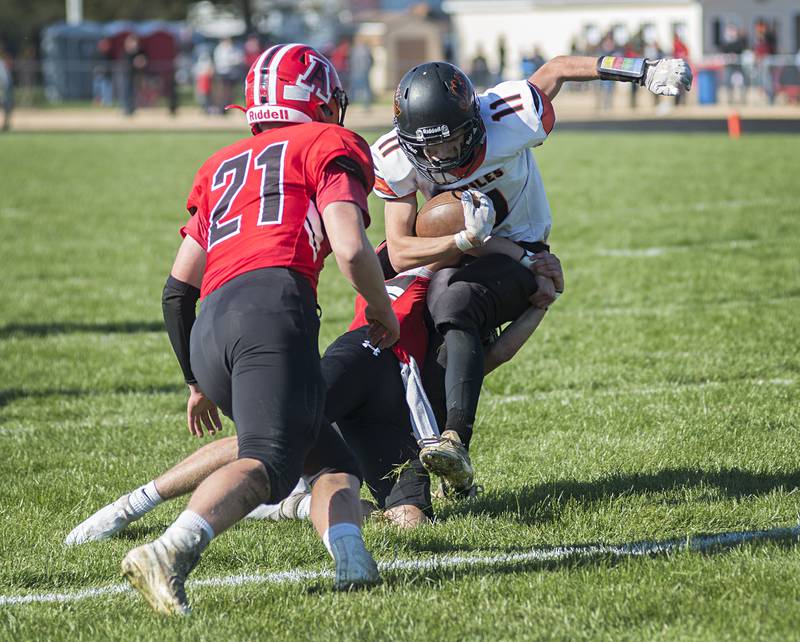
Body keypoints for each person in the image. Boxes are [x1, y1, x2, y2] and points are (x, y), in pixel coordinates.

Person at [119, 44, 400, 616]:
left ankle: (354, 566)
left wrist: (195, 381)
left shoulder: (222, 163)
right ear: (321, 102)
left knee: (332, 461)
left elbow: (177, 291)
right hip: (273, 310)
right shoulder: (329, 142)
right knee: (270, 462)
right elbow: (349, 246)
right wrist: (381, 310)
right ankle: (170, 550)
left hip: (210, 331)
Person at [65, 250, 562, 543]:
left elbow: (494, 356)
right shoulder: (425, 257)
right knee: (268, 438)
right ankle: (132, 504)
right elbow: (389, 249)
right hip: (367, 357)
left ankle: (298, 505)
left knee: (410, 522)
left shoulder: (464, 323)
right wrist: (465, 236)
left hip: (405, 417)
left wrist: (543, 302)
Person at [371, 52, 692, 495]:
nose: (441, 156)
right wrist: (463, 241)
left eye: (450, 142)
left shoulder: (509, 116)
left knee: (453, 298)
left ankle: (454, 441)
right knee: (409, 357)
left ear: (476, 121)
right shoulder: (395, 156)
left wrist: (641, 69)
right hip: (445, 252)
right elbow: (401, 249)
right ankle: (390, 468)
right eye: (428, 147)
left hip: (519, 252)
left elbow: (557, 68)